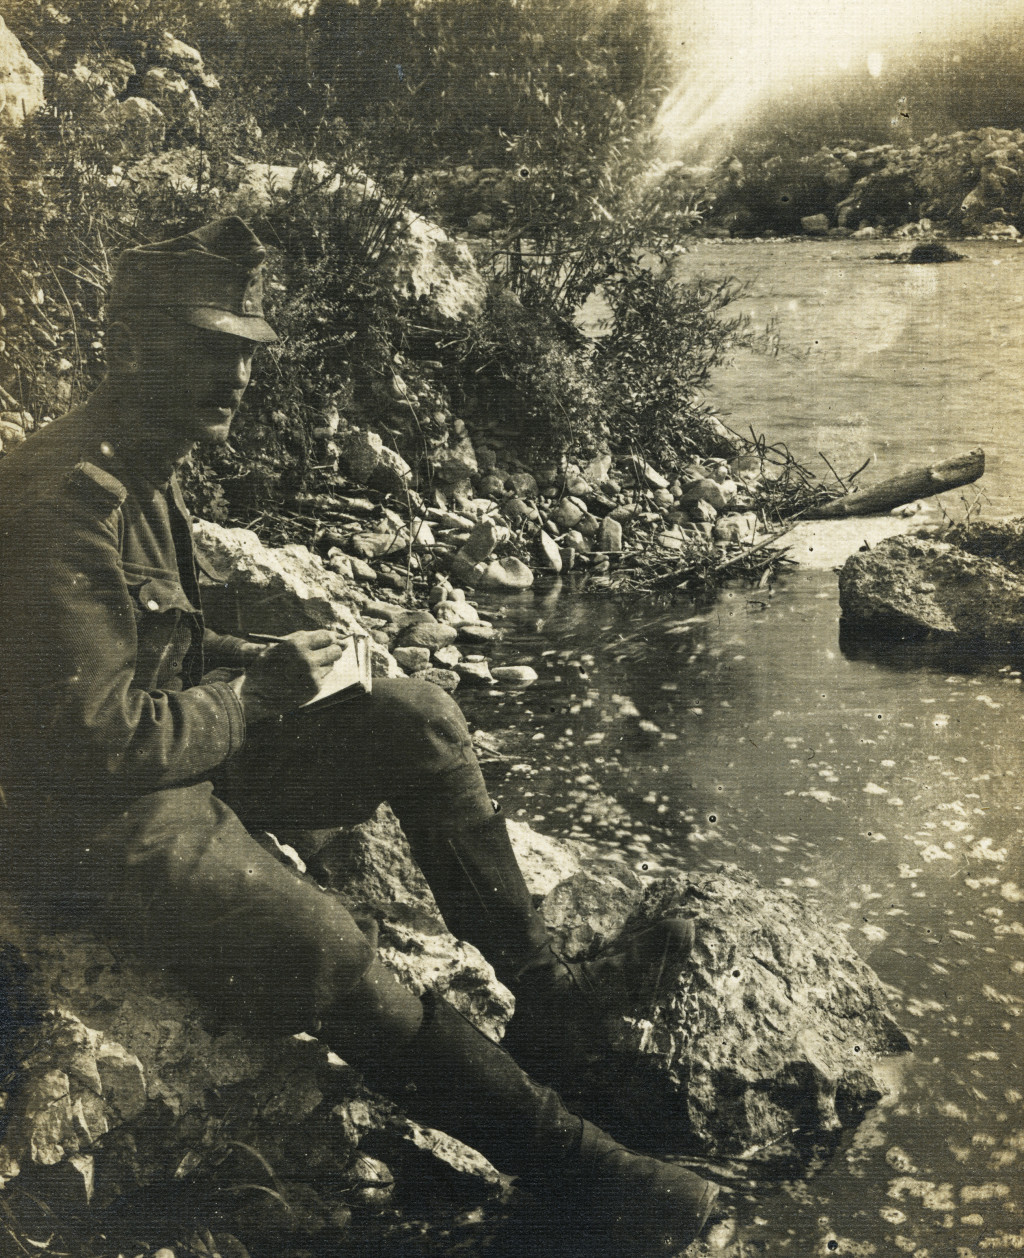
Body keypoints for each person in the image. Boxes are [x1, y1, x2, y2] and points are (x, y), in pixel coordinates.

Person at [0, 218, 717, 1250]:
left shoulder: (149, 454)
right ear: (133, 348)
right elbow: (94, 744)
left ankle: (545, 1006)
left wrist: (259, 654)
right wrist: (257, 697)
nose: (236, 374)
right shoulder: (65, 500)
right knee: (327, 945)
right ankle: (579, 1172)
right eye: (208, 347)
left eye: (246, 350)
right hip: (91, 824)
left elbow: (148, 651)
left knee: (416, 715)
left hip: (165, 757)